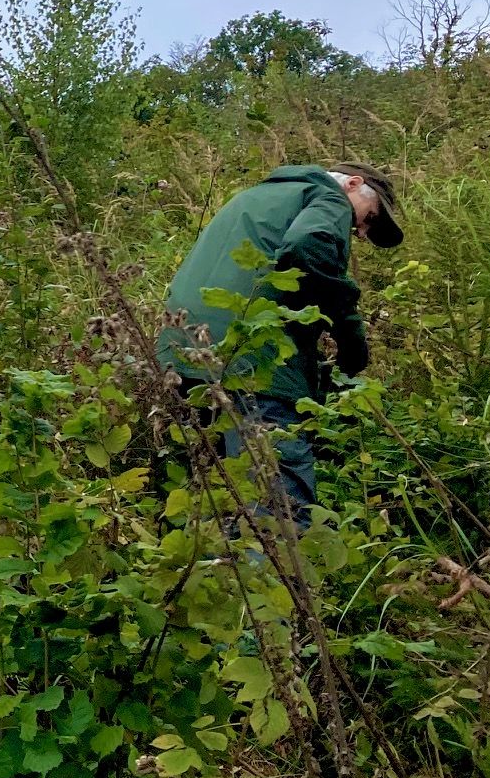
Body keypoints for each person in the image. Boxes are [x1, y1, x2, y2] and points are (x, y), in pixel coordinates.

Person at [156, 162, 402, 527]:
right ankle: (281, 580)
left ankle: (222, 579)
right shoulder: (327, 197)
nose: (361, 233)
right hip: (254, 363)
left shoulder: (255, 198)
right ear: (353, 184)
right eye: (368, 218)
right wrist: (350, 338)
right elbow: (309, 245)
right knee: (278, 509)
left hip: (181, 358)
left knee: (218, 503)